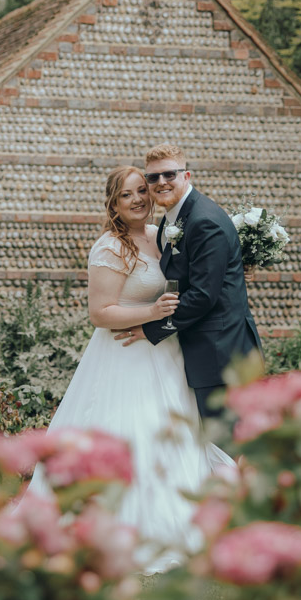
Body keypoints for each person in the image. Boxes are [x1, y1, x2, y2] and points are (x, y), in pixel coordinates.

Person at [26, 165, 233, 572]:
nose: (139, 199)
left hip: (164, 353)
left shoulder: (161, 236)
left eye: (142, 190)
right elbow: (100, 313)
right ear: (114, 204)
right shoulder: (110, 247)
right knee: (135, 435)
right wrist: (150, 312)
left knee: (175, 435)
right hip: (125, 356)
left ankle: (183, 518)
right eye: (128, 195)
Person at [112, 144, 263, 431]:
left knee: (225, 447)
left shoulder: (204, 221)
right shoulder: (175, 219)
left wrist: (151, 328)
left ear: (187, 175)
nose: (161, 183)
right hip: (201, 350)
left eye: (169, 174)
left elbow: (203, 296)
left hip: (221, 355)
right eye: (153, 178)